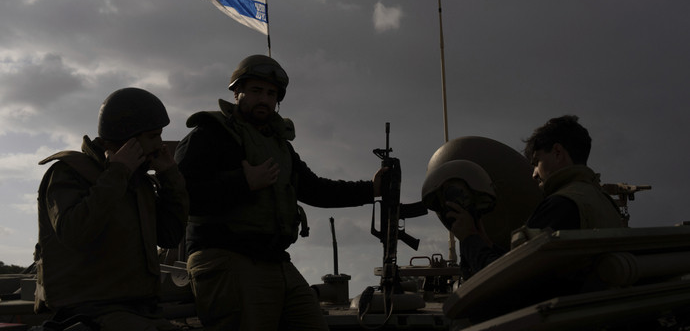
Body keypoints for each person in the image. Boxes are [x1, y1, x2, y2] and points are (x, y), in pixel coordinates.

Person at [175, 54, 384, 331]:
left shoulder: (279, 146)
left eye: (271, 94)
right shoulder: (210, 135)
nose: (264, 99)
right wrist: (243, 182)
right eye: (256, 91)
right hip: (226, 257)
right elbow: (182, 197)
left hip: (274, 259)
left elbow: (315, 189)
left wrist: (371, 189)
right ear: (237, 93)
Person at [34, 88, 189, 331]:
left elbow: (169, 235)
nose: (159, 144)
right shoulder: (69, 173)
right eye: (152, 136)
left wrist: (170, 178)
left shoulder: (137, 181)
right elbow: (74, 232)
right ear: (127, 139)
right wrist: (117, 173)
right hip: (91, 310)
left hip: (141, 308)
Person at [427, 115, 623, 277]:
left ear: (557, 152)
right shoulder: (603, 202)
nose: (534, 174)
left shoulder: (561, 205)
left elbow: (507, 280)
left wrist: (469, 238)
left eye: (537, 162)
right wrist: (486, 244)